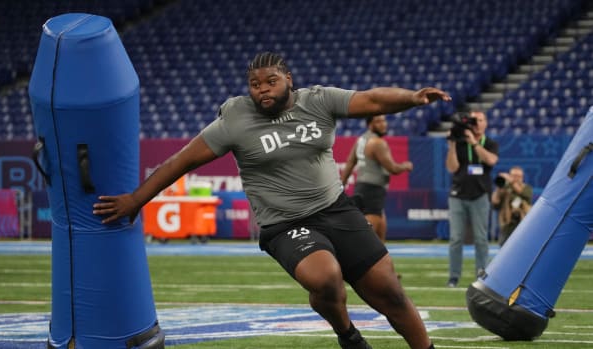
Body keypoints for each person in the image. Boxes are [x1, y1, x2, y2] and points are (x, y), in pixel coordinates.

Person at [93, 52, 451, 349]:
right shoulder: (236, 119)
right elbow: (181, 161)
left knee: (390, 292)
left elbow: (371, 99)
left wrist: (412, 97)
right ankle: (349, 335)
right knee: (326, 277)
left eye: (270, 81)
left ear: (288, 80)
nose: (262, 90)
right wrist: (136, 200)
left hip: (336, 208)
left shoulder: (319, 101)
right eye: (255, 84)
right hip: (286, 223)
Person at [445, 110, 499, 288]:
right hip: (458, 194)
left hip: (480, 194)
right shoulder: (459, 143)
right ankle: (454, 277)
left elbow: (491, 160)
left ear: (486, 123)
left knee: (481, 238)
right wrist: (452, 144)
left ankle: (481, 273)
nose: (477, 123)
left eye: (480, 119)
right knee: (456, 238)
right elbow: (452, 168)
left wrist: (474, 143)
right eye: (474, 120)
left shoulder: (489, 143)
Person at [340, 115, 413, 241]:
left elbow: (350, 162)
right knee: (370, 238)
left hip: (362, 188)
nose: (383, 124)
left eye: (384, 120)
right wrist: (405, 166)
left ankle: (376, 259)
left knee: (379, 232)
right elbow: (393, 169)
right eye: (378, 121)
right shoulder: (377, 143)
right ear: (370, 125)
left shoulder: (361, 139)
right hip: (372, 190)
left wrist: (342, 185)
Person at [490, 166, 533, 246]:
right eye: (513, 176)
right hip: (507, 225)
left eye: (518, 176)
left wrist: (511, 182)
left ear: (522, 178)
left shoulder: (527, 188)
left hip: (523, 223)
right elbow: (495, 202)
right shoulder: (505, 188)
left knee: (523, 246)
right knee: (504, 249)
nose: (516, 178)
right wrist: (499, 187)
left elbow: (524, 195)